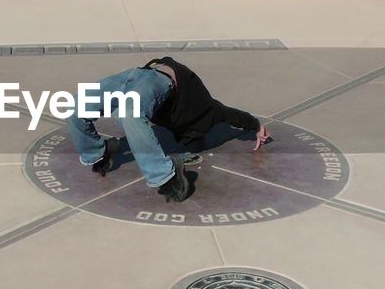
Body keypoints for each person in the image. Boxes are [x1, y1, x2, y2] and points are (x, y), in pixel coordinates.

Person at [66, 56, 271, 203]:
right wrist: (256, 125)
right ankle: (96, 153)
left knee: (128, 114)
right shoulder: (208, 110)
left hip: (138, 80)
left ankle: (166, 175)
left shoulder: (183, 125)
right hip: (155, 78)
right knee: (76, 105)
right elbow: (232, 115)